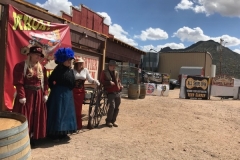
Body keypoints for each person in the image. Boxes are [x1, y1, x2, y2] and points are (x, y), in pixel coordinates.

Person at [12, 46, 48, 146]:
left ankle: (33, 137)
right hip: (27, 95)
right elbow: (19, 83)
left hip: (38, 96)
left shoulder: (42, 68)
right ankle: (22, 138)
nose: (38, 56)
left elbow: (45, 83)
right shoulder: (21, 66)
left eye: (40, 55)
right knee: (25, 116)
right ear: (30, 54)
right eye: (36, 54)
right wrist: (22, 96)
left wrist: (45, 94)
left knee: (36, 116)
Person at [46, 47, 77, 141]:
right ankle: (55, 134)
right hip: (58, 95)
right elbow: (50, 81)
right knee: (57, 114)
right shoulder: (57, 70)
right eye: (68, 60)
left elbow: (72, 83)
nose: (69, 61)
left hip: (68, 95)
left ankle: (63, 133)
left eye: (70, 60)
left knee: (66, 114)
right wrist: (56, 89)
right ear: (62, 60)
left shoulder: (71, 70)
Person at [73, 57, 100, 130]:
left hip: (80, 92)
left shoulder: (85, 70)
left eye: (81, 63)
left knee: (78, 109)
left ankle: (77, 125)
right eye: (78, 63)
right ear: (75, 64)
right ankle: (71, 125)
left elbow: (90, 79)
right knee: (72, 108)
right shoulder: (72, 70)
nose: (80, 64)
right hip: (72, 91)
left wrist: (95, 81)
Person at [100, 60, 123, 127]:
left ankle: (113, 121)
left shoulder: (116, 73)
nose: (114, 67)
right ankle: (108, 121)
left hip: (117, 92)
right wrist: (109, 83)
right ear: (109, 66)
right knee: (112, 106)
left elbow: (118, 81)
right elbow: (102, 81)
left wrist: (120, 85)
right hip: (110, 92)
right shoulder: (104, 72)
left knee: (117, 107)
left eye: (114, 66)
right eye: (113, 66)